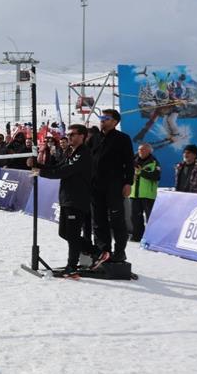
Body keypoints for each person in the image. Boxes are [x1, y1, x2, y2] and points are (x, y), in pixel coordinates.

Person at [31, 124, 93, 278]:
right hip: (66, 197)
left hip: (77, 198)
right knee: (64, 233)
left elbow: (64, 171)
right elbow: (57, 166)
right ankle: (96, 252)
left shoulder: (83, 153)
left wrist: (41, 172)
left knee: (72, 234)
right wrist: (37, 165)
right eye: (68, 134)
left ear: (82, 136)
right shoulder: (70, 151)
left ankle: (72, 266)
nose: (69, 137)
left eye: (73, 134)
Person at [90, 109, 134, 265]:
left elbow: (129, 162)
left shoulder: (123, 138)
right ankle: (103, 251)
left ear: (115, 122)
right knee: (98, 221)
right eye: (101, 117)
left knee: (117, 220)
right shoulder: (95, 138)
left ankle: (120, 252)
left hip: (115, 185)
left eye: (106, 118)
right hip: (95, 186)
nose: (102, 120)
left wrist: (128, 183)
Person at [129, 143, 161, 242]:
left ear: (149, 151)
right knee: (135, 217)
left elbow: (156, 176)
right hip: (134, 193)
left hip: (148, 195)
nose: (141, 152)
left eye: (143, 150)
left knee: (150, 218)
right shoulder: (132, 160)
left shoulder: (154, 162)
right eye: (139, 149)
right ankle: (137, 236)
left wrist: (141, 172)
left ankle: (151, 237)